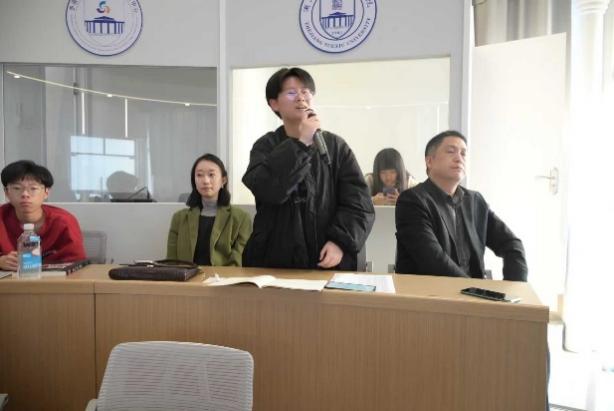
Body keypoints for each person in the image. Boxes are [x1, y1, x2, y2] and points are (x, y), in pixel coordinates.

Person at [242, 67, 374, 270]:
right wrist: (301, 142)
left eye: (305, 92)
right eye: (291, 92)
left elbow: (359, 204)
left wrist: (340, 241)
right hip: (276, 259)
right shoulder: (265, 146)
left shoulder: (335, 146)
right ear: (274, 103)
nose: (300, 97)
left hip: (327, 259)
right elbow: (267, 189)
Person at [395, 130, 528, 281]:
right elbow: (434, 261)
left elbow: (512, 244)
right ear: (430, 161)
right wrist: (475, 290)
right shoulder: (412, 200)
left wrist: (515, 287)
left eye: (463, 154)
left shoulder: (475, 201)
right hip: (429, 292)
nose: (459, 158)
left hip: (474, 291)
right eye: (451, 151)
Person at [167, 153, 252, 266]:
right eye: (199, 175)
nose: (205, 180)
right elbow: (171, 263)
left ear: (223, 180)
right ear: (194, 181)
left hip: (224, 277)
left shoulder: (241, 218)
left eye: (211, 175)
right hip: (187, 277)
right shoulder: (179, 218)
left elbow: (238, 263)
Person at [0, 160, 86, 270]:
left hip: (55, 279)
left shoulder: (64, 222)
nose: (25, 194)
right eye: (17, 188)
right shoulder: (1, 216)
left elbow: (78, 263)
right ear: (7, 192)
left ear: (46, 192)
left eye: (33, 188)